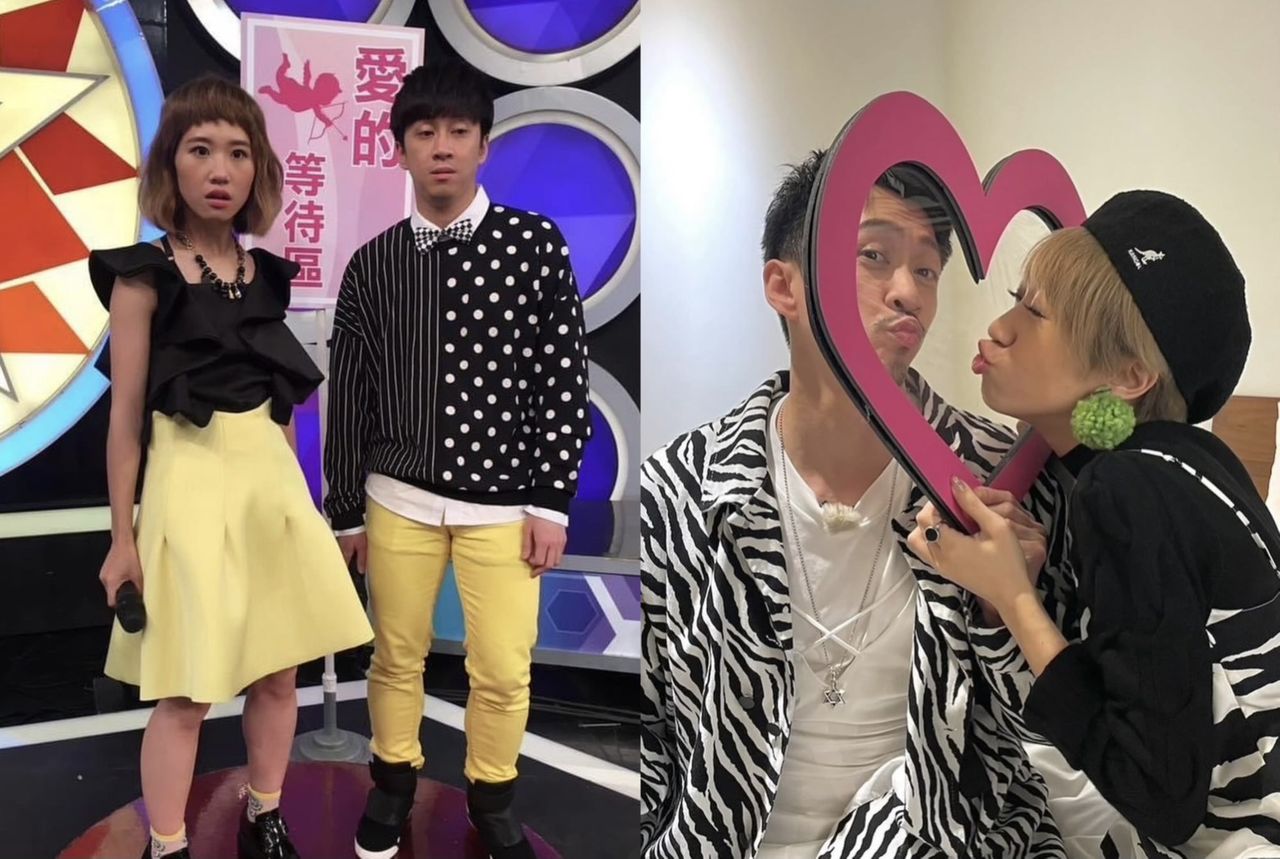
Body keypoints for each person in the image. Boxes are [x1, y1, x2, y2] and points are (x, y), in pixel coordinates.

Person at [641, 152, 1079, 858]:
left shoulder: (1003, 479)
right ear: (784, 286)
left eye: (927, 270)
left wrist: (1005, 607)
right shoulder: (680, 492)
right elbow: (653, 737)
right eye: (874, 256)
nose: (908, 292)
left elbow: (1043, 736)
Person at [912, 190, 1277, 858]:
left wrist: (1015, 600)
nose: (1000, 329)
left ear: (1128, 376)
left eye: (1036, 312)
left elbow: (1158, 794)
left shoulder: (1125, 489)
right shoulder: (1197, 464)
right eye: (1017, 298)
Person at [89, 76, 373, 859]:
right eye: (201, 149)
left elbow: (280, 409)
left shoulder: (265, 275)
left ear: (258, 170)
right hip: (186, 489)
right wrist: (123, 539)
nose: (221, 169)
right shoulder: (141, 276)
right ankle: (168, 843)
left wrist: (301, 506)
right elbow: (125, 422)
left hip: (271, 493)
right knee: (186, 689)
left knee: (279, 673)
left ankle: (264, 813)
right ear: (170, 165)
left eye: (239, 152)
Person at [322, 58, 592, 859]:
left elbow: (562, 376)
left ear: (483, 145)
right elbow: (352, 395)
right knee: (393, 655)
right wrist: (345, 511)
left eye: (458, 131)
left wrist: (551, 500)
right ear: (400, 148)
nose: (441, 147)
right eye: (424, 132)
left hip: (506, 507)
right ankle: (392, 784)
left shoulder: (534, 245)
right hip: (395, 498)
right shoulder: (372, 264)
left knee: (503, 668)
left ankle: (493, 797)